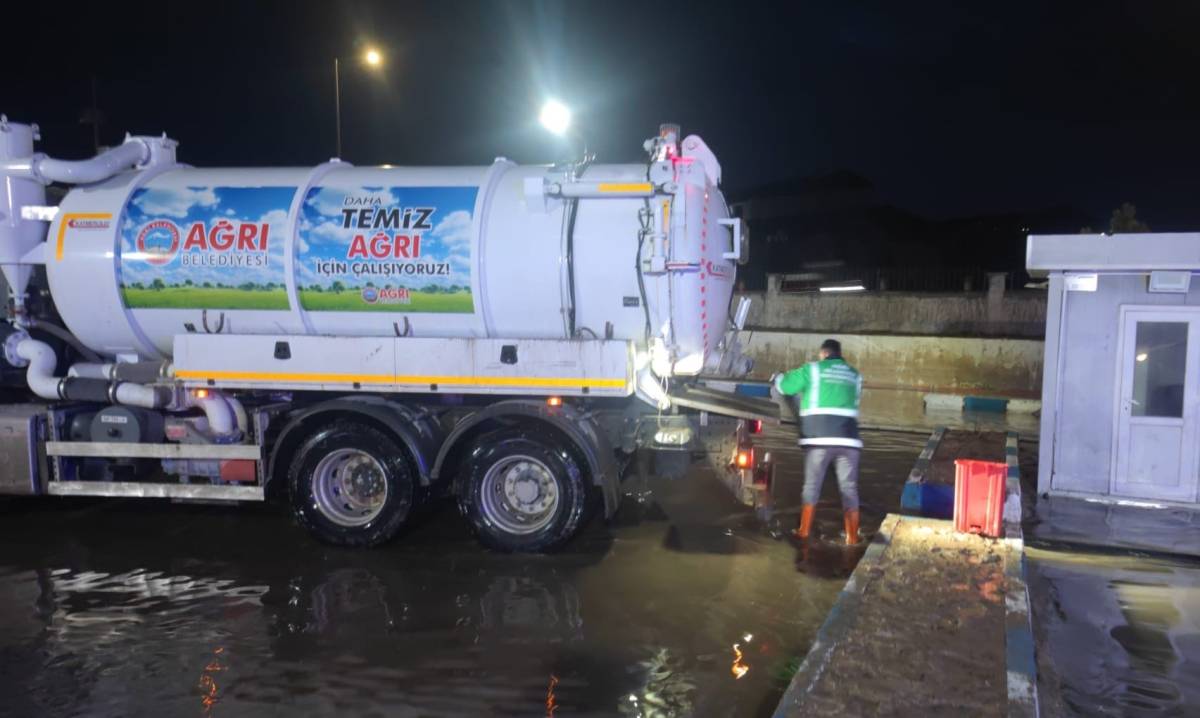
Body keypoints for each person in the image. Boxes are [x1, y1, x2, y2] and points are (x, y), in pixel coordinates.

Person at [772, 339, 863, 545]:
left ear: (824, 354)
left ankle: (803, 532)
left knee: (812, 487)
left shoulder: (813, 370)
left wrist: (778, 378)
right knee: (849, 489)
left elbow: (786, 387)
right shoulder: (855, 375)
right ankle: (852, 538)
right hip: (850, 441)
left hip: (819, 440)